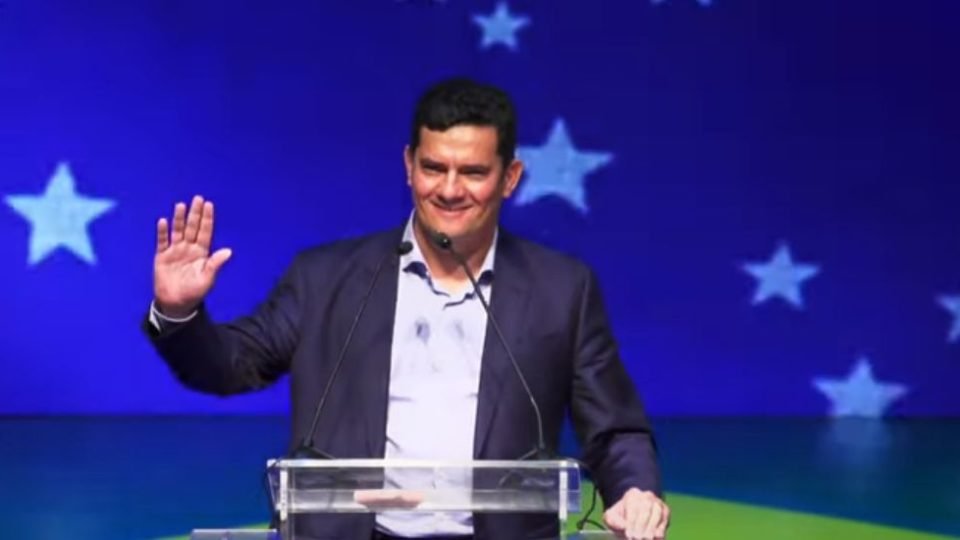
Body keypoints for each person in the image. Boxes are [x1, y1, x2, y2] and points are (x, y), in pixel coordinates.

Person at [143, 78, 669, 540]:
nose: (449, 190)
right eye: (433, 168)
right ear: (408, 166)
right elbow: (228, 368)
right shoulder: (324, 278)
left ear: (510, 177)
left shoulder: (562, 290)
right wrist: (179, 313)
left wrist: (635, 491)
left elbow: (614, 430)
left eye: (473, 172)